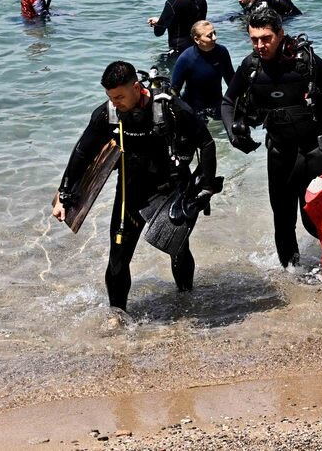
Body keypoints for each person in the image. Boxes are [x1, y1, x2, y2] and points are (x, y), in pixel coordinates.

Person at [51, 61, 218, 313]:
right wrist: (65, 193)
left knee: (178, 250)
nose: (114, 102)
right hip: (131, 191)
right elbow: (82, 152)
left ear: (137, 88)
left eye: (119, 96)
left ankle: (186, 300)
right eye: (110, 97)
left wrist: (206, 185)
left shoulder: (170, 108)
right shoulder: (107, 114)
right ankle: (117, 316)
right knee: (117, 258)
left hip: (171, 190)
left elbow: (206, 143)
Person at [221, 7, 322, 268]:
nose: (260, 45)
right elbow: (227, 102)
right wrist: (233, 134)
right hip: (280, 152)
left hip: (314, 151)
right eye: (254, 39)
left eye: (266, 38)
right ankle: (293, 277)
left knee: (316, 220)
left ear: (280, 34)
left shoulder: (305, 62)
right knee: (282, 219)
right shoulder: (251, 67)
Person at [169, 21, 234, 120]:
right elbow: (174, 91)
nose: (214, 38)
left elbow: (232, 82)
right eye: (209, 35)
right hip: (194, 112)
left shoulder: (222, 52)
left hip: (217, 109)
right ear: (197, 39)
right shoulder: (186, 58)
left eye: (214, 33)